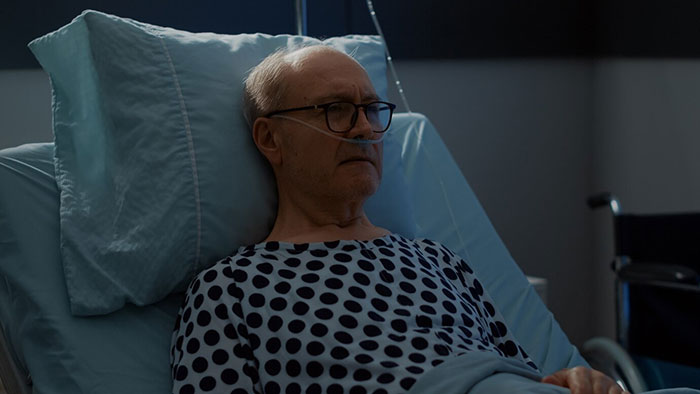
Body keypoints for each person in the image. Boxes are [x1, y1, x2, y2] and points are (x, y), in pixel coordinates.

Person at [170, 45, 625, 394]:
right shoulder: (231, 287)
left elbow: (519, 374)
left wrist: (574, 380)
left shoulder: (440, 261)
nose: (366, 128)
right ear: (270, 138)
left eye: (371, 109)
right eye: (336, 111)